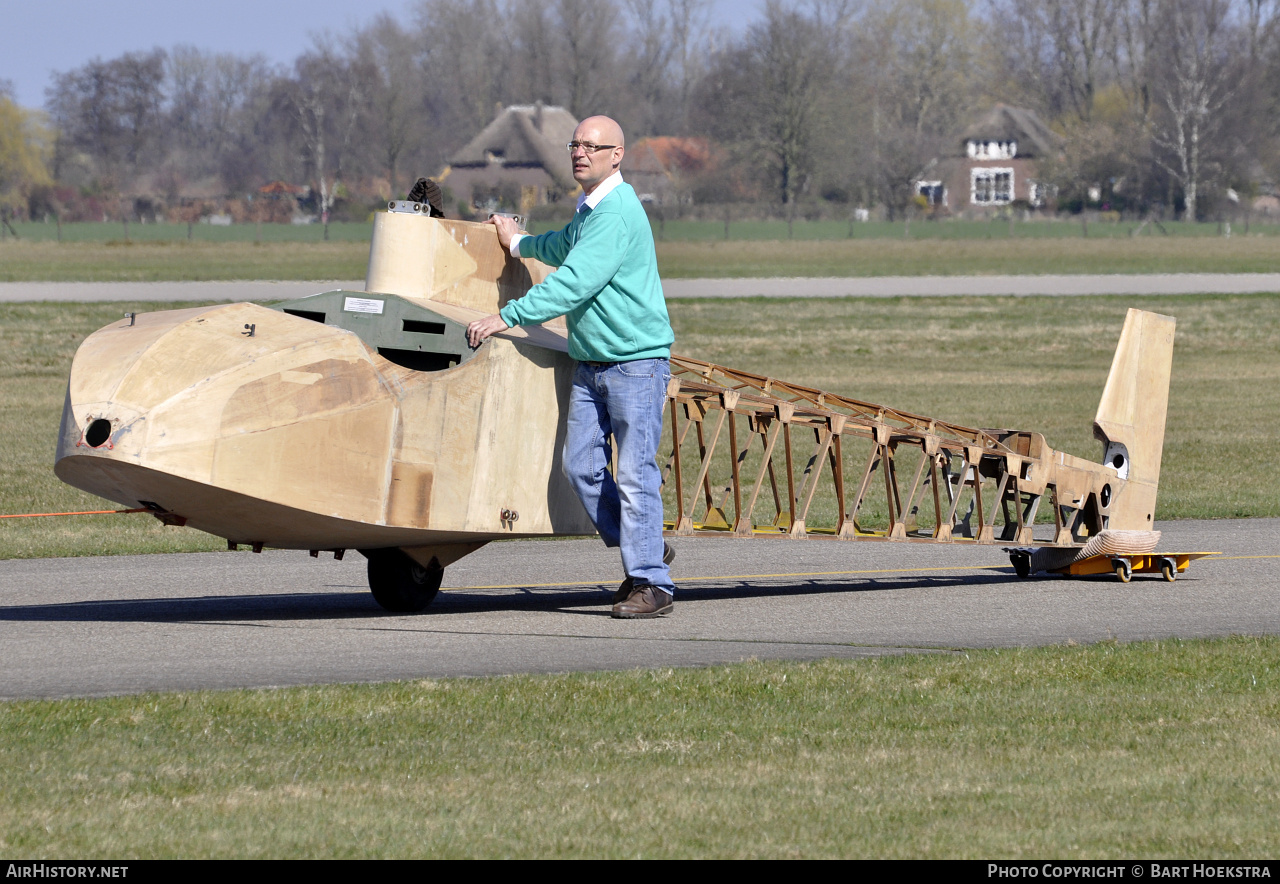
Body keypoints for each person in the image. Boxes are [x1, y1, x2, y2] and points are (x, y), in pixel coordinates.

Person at [465, 115, 677, 619]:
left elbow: (574, 282)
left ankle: (653, 583)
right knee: (580, 467)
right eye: (575, 143)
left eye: (592, 145)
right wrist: (517, 242)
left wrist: (505, 317)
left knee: (635, 475)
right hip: (592, 363)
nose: (579, 152)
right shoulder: (590, 210)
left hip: (634, 364)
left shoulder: (617, 212)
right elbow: (562, 246)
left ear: (617, 155)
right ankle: (642, 542)